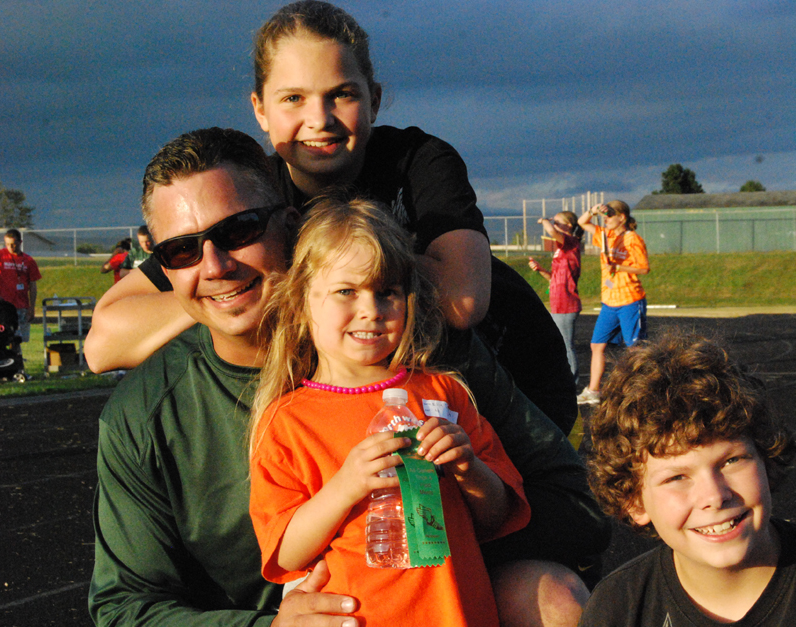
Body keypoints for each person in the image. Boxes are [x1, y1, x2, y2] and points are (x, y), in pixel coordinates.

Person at [90, 127, 605, 627]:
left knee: (553, 600)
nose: (215, 264)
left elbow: (578, 508)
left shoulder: (428, 354)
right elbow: (124, 606)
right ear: (162, 267)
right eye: (181, 251)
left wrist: (421, 559)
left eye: (238, 230)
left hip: (445, 602)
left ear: (289, 226)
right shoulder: (147, 413)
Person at [82, 0, 577, 438]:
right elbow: (104, 342)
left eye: (341, 94)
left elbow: (461, 299)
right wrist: (232, 293)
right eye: (293, 98)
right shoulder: (248, 194)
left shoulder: (419, 160)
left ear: (375, 100)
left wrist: (307, 278)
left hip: (517, 384)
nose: (319, 118)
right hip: (399, 407)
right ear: (259, 110)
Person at [248, 198, 531, 626]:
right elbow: (285, 551)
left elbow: (495, 516)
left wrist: (467, 466)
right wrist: (346, 486)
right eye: (347, 291)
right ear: (302, 301)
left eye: (387, 292)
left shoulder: (445, 392)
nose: (371, 311)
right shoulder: (287, 421)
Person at [580, 332, 796, 626]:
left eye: (732, 460)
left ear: (765, 457)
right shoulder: (618, 610)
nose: (714, 496)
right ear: (634, 501)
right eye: (677, 478)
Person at [575, 200, 649, 406]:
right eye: (605, 217)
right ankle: (593, 390)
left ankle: (642, 389)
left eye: (610, 216)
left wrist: (618, 267)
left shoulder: (632, 239)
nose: (606, 220)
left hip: (630, 300)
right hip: (609, 302)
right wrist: (593, 210)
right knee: (596, 345)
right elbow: (582, 222)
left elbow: (643, 268)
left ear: (622, 218)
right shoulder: (605, 236)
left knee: (635, 349)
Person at [528, 211, 582, 387]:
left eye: (557, 221)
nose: (554, 224)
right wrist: (541, 270)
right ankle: (564, 379)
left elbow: (552, 232)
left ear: (568, 225)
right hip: (558, 303)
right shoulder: (561, 249)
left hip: (566, 303)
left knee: (566, 345)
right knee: (558, 344)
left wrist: (544, 220)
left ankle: (572, 383)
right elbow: (554, 278)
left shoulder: (571, 242)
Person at [0, 229, 41, 354]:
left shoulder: (28, 260)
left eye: (14, 244)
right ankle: (10, 364)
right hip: (4, 307)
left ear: (20, 242)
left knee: (19, 339)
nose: (11, 247)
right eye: (8, 244)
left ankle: (18, 365)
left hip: (21, 306)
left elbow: (33, 285)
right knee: (5, 336)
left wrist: (32, 307)